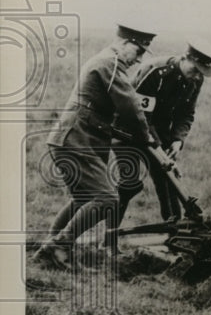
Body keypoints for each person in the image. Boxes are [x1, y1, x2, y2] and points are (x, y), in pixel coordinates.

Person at [33, 24, 162, 270]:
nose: (139, 59)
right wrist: (147, 138)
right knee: (107, 199)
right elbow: (130, 106)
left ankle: (47, 251)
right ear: (124, 44)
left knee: (83, 198)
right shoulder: (110, 64)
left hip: (72, 138)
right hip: (76, 139)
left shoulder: (107, 62)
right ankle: (58, 247)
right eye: (138, 51)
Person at [110, 37, 211, 232]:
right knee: (130, 184)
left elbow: (186, 113)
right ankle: (108, 236)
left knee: (169, 180)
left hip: (157, 135)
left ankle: (174, 234)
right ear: (185, 57)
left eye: (201, 73)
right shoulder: (155, 71)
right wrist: (159, 147)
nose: (197, 76)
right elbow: (140, 115)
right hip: (127, 130)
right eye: (194, 70)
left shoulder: (195, 80)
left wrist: (178, 141)